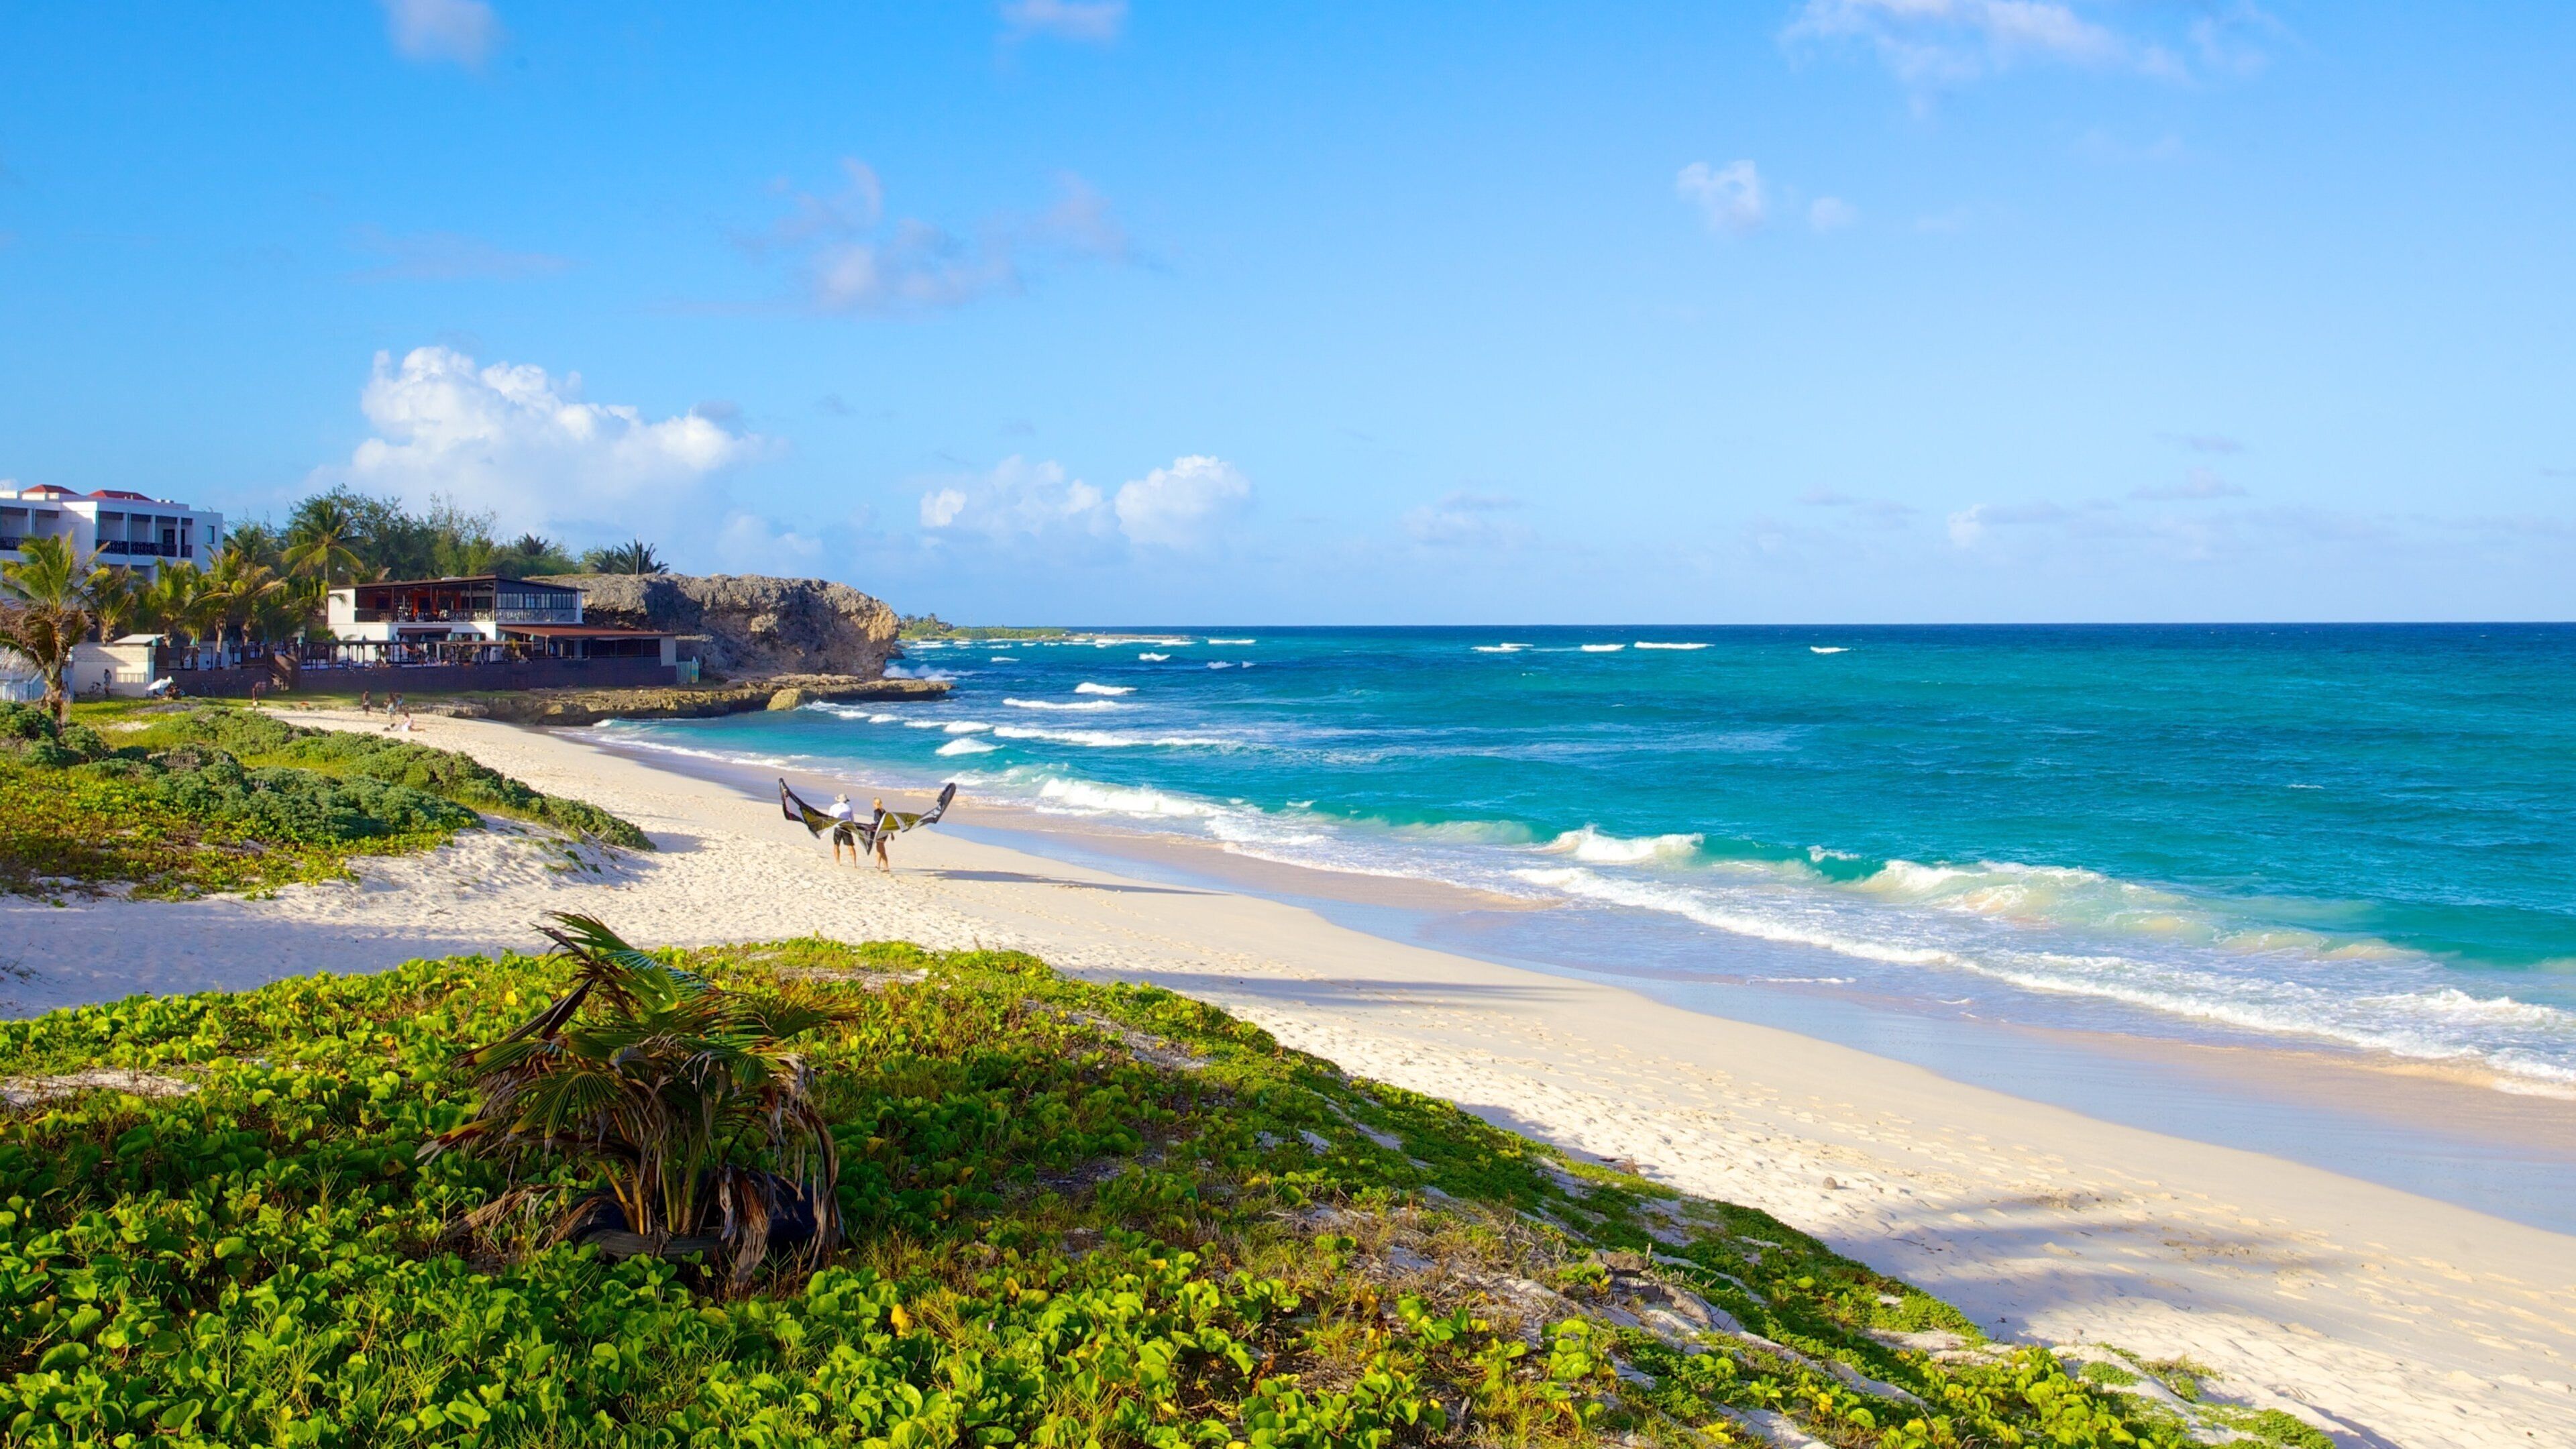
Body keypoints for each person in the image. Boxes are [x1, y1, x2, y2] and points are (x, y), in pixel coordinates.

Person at [825, 793, 857, 865]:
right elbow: (852, 820)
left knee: (836, 845)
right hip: (846, 827)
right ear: (846, 801)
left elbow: (829, 818)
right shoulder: (849, 807)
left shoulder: (833, 807)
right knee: (850, 846)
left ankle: (838, 862)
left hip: (838, 828)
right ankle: (854, 863)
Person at [869, 797, 892, 872]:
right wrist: (891, 833)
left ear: (876, 804)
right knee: (880, 849)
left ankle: (882, 867)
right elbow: (887, 822)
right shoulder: (884, 811)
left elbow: (879, 821)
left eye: (874, 803)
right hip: (886, 832)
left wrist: (873, 825)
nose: (873, 805)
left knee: (881, 850)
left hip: (880, 832)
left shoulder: (877, 811)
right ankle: (881, 866)